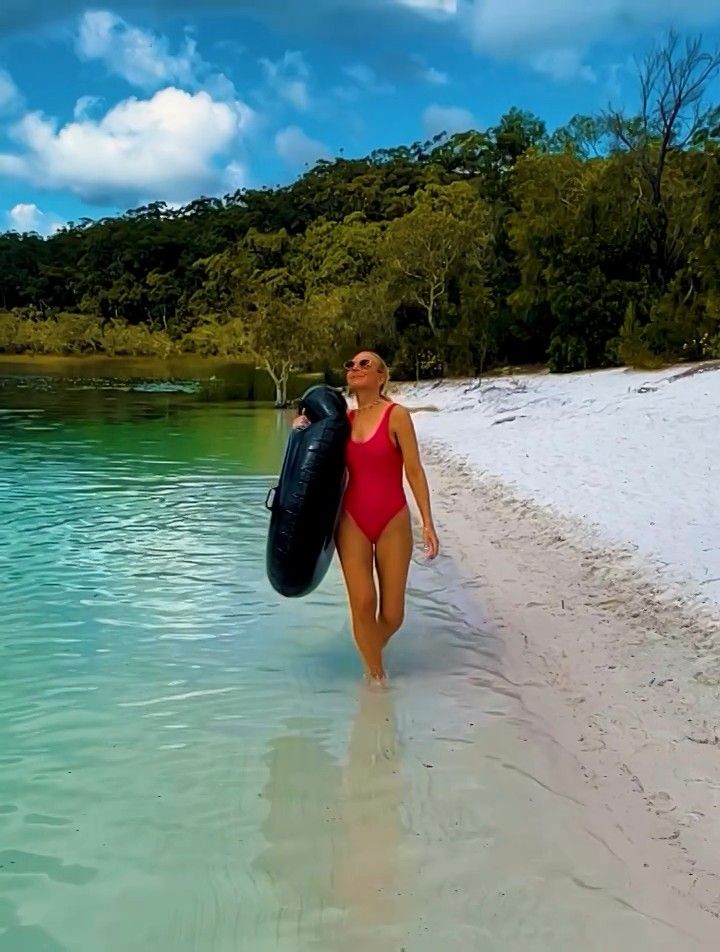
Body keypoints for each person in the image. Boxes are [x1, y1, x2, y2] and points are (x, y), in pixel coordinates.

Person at [294, 351, 439, 684]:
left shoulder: (397, 415)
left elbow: (414, 471)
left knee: (393, 614)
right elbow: (312, 463)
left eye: (365, 364)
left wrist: (427, 523)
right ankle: (376, 679)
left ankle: (368, 647)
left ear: (381, 376)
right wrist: (300, 431)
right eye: (351, 364)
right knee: (363, 603)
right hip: (351, 520)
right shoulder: (340, 422)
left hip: (393, 519)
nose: (355, 368)